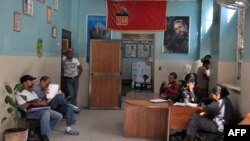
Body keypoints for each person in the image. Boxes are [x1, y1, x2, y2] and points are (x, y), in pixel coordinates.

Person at [16, 75, 62, 141]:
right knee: (45, 113)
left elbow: (40, 101)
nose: (33, 82)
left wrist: (45, 96)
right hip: (30, 112)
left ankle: (40, 130)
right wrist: (35, 103)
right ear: (25, 82)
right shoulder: (21, 93)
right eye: (31, 81)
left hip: (40, 109)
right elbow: (23, 106)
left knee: (59, 116)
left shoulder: (33, 92)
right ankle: (44, 136)